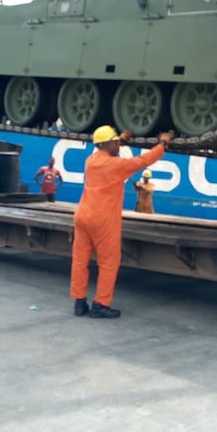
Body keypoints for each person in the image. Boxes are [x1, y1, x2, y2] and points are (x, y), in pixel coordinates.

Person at [70, 126, 172, 319]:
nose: (118, 144)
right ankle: (100, 305)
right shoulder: (116, 167)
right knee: (109, 262)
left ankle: (79, 302)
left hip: (82, 216)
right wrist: (163, 143)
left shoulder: (90, 161)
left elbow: (109, 153)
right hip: (103, 219)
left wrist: (122, 139)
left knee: (80, 261)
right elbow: (144, 160)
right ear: (108, 143)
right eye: (116, 142)